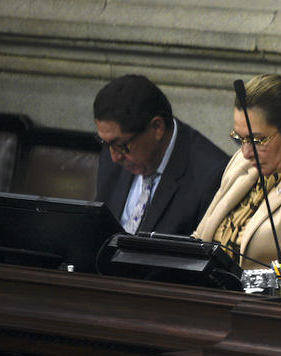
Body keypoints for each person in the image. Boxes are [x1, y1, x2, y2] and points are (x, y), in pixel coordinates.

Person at [192, 75, 281, 277]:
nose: (246, 152)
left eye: (256, 140)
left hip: (268, 305)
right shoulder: (242, 162)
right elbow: (200, 236)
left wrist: (253, 281)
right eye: (240, 139)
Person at [94, 74, 228, 236]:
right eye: (106, 144)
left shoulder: (211, 177)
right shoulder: (113, 150)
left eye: (122, 146)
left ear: (157, 128)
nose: (114, 157)